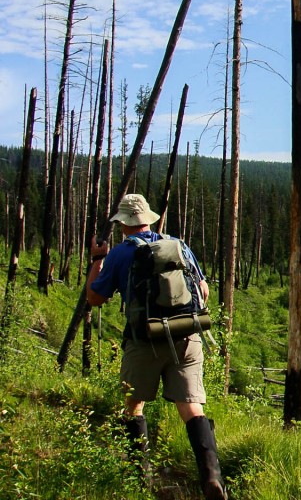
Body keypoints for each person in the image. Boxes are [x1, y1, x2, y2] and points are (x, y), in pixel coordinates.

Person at [86, 193, 227, 500]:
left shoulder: (120, 254)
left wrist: (98, 259)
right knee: (191, 408)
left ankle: (140, 480)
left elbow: (95, 298)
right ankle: (212, 477)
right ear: (149, 219)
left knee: (134, 405)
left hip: (144, 341)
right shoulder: (178, 245)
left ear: (123, 224)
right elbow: (202, 289)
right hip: (187, 336)